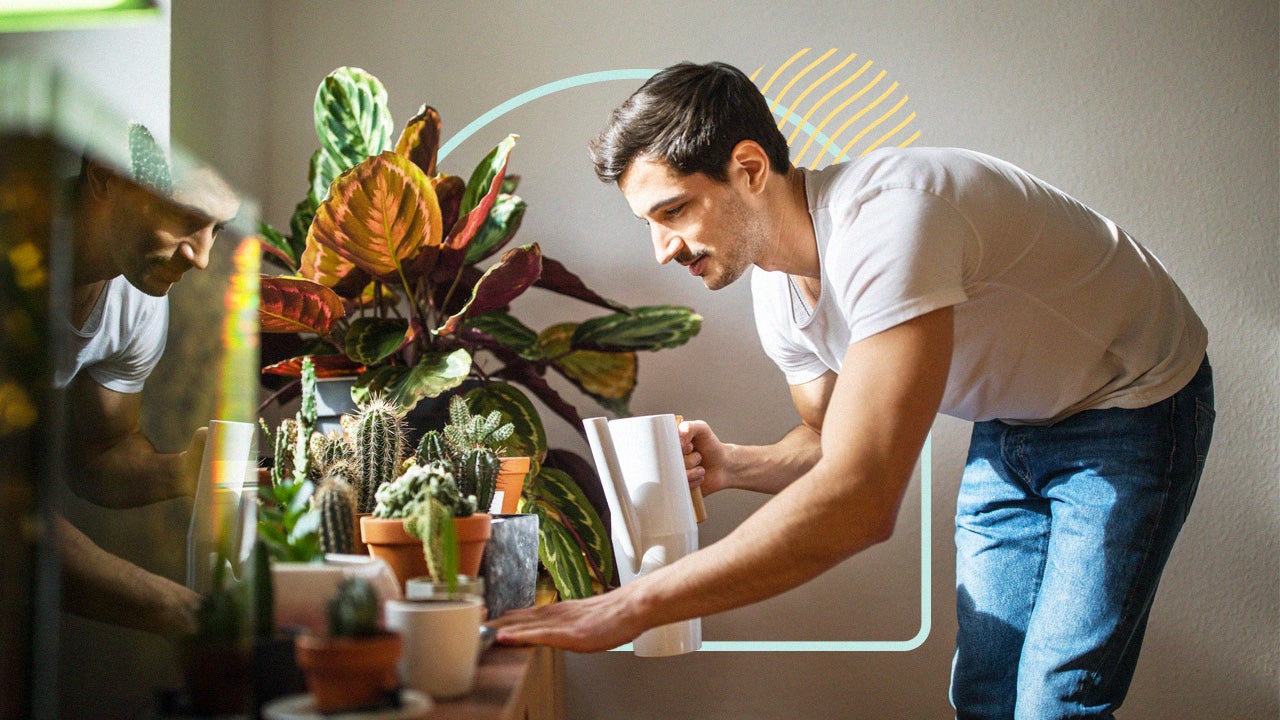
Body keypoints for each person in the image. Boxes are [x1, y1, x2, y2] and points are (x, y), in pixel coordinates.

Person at [488, 61, 1215, 720]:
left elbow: (862, 498)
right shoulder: (779, 296)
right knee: (985, 696)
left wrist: (632, 606)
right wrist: (736, 465)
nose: (662, 248)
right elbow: (832, 443)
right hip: (1012, 421)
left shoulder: (892, 220)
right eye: (649, 222)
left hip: (1133, 402)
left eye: (674, 211)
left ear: (747, 168)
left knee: (1058, 700)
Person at [56, 155, 240, 640]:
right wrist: (183, 613)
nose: (201, 258)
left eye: (217, 230)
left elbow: (99, 455)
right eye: (187, 218)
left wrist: (184, 471)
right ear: (104, 174)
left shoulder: (136, 299)